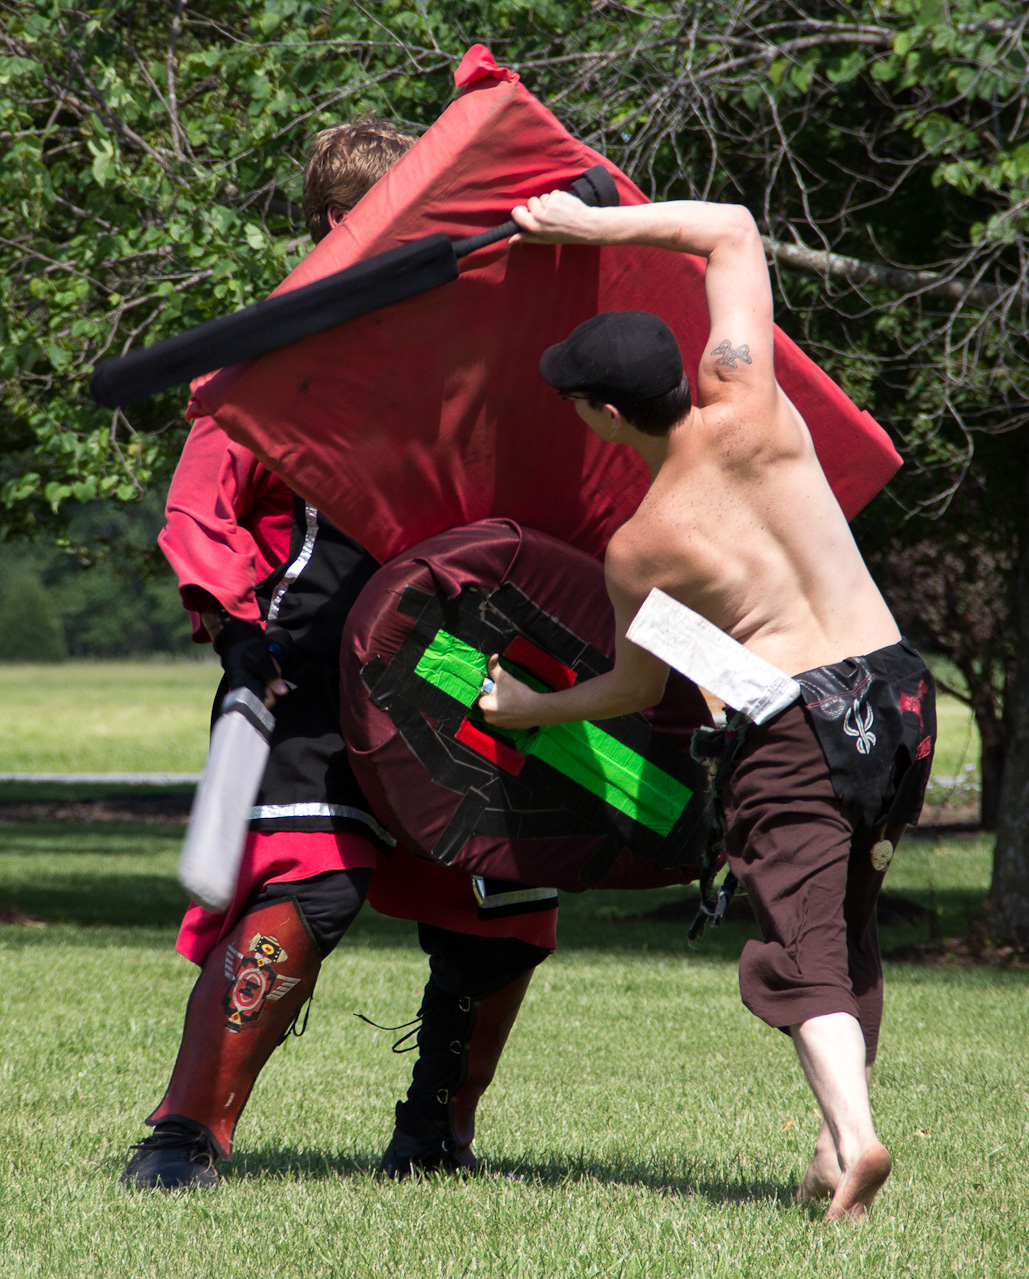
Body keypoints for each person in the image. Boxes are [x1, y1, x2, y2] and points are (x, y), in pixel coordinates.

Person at [479, 192, 936, 1222]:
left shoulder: (642, 546)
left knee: (802, 951)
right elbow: (729, 227)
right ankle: (828, 1150)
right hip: (898, 696)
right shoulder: (750, 392)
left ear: (605, 416)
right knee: (848, 926)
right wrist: (586, 226)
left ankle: (856, 1137)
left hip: (793, 731)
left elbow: (637, 689)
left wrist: (527, 706)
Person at [121, 120, 557, 1191]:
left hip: (449, 659)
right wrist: (238, 634)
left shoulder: (473, 349)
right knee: (309, 883)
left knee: (502, 899)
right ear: (334, 223)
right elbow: (201, 507)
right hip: (305, 659)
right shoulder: (269, 354)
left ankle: (434, 1136)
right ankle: (185, 1132)